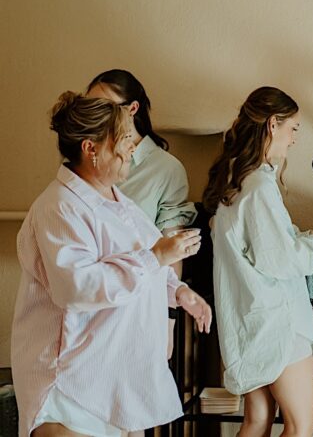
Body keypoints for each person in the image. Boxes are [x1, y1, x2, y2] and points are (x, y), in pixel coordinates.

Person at [12, 92, 211, 437]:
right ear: (91, 149)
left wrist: (178, 291)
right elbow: (76, 288)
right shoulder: (59, 207)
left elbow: (145, 260)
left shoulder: (118, 201)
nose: (132, 150)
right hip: (70, 384)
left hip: (110, 377)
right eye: (124, 142)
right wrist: (158, 257)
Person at [206, 87, 313, 437]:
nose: (295, 139)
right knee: (302, 422)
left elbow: (265, 246)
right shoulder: (258, 187)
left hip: (248, 318)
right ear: (272, 125)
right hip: (275, 322)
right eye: (293, 128)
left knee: (258, 420)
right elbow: (280, 259)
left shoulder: (234, 179)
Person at [86, 69, 196, 359]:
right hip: (91, 292)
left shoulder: (165, 169)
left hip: (140, 297)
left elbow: (173, 249)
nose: (95, 114)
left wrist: (168, 319)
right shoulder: (88, 158)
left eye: (104, 106)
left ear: (132, 109)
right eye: (90, 107)